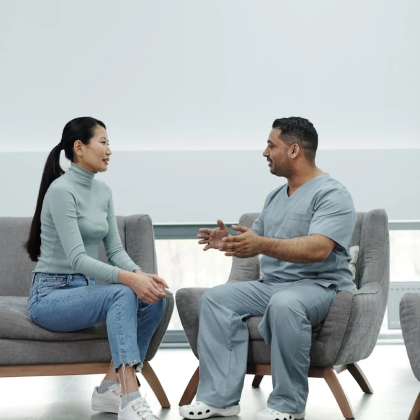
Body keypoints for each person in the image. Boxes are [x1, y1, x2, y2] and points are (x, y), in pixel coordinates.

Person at [179, 117, 357, 420]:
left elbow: (318, 249)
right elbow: (257, 239)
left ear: (293, 150)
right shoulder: (275, 196)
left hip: (319, 286)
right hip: (272, 285)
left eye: (271, 145)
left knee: (285, 304)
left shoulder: (332, 194)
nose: (264, 152)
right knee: (216, 299)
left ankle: (288, 406)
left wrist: (260, 244)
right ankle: (220, 399)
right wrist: (230, 241)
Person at [25, 117, 168, 420]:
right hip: (49, 296)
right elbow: (77, 259)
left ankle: (108, 388)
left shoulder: (103, 192)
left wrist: (141, 276)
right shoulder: (61, 191)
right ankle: (130, 396)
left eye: (109, 143)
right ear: (79, 148)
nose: (109, 150)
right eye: (103, 142)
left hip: (84, 292)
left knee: (157, 298)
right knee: (121, 293)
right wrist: (128, 280)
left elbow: (115, 251)